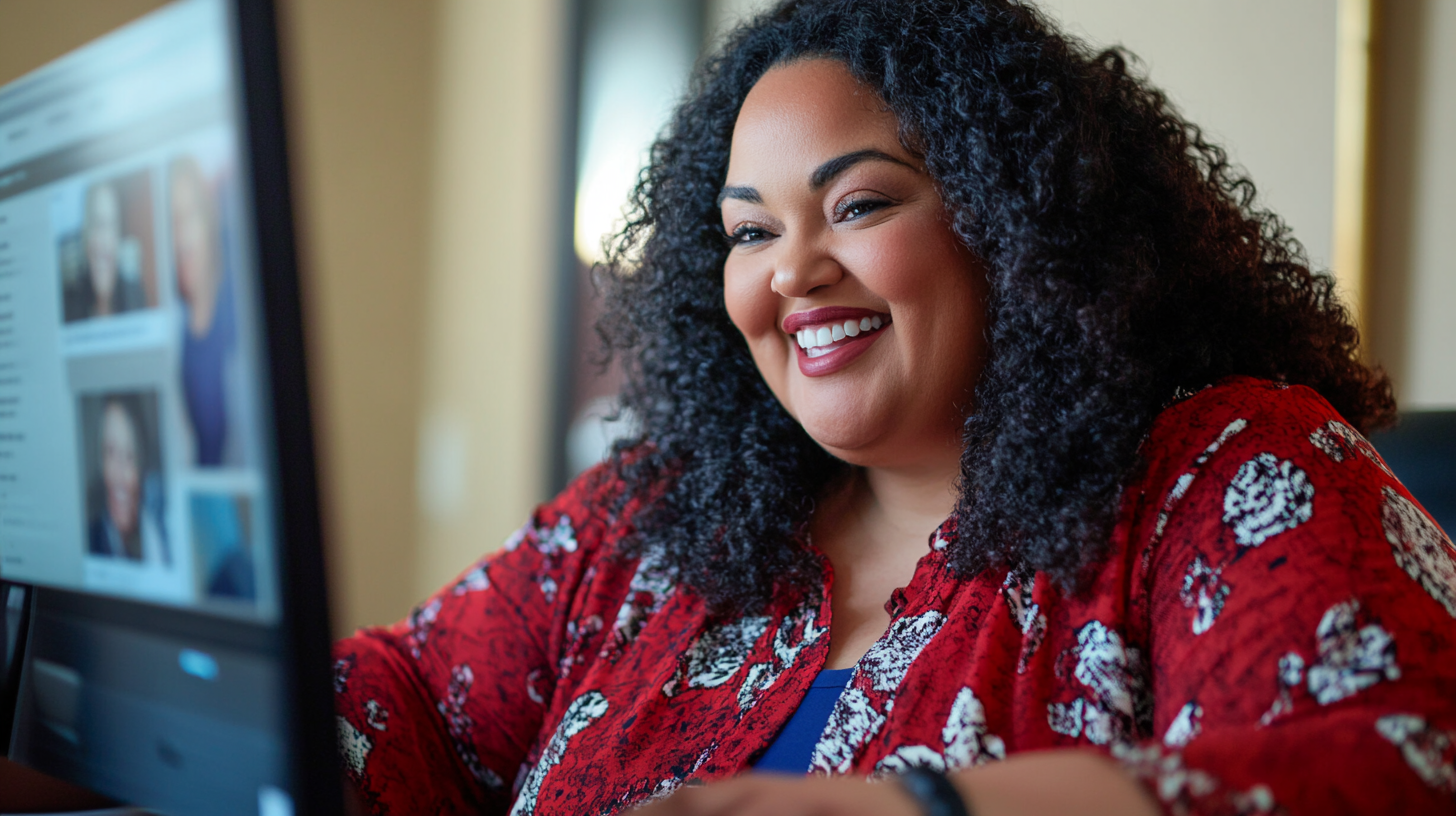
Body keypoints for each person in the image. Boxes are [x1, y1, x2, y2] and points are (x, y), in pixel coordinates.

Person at [333, 2, 1456, 814]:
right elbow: (403, 701)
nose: (791, 272)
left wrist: (917, 810)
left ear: (1013, 220)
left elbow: (1396, 766)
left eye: (857, 203)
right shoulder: (643, 522)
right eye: (751, 231)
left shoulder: (1225, 468)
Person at [170, 155, 239, 467]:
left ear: (207, 218)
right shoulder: (177, 335)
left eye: (189, 217)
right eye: (171, 224)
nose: (181, 239)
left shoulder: (236, 294)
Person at [87, 397, 165, 564]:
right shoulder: (89, 543)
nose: (119, 474)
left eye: (130, 456)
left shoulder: (159, 540)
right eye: (111, 452)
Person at [68, 181, 147, 321]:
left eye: (110, 226)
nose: (104, 244)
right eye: (98, 225)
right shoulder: (69, 305)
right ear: (85, 235)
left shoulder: (136, 297)